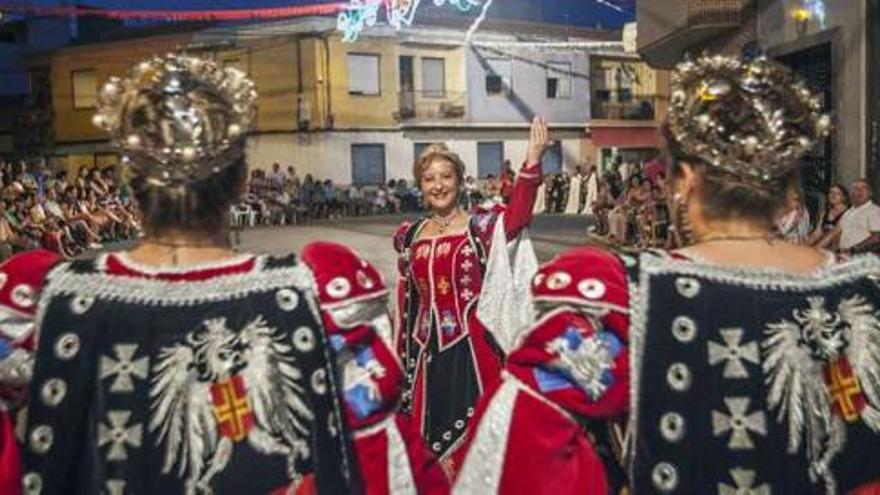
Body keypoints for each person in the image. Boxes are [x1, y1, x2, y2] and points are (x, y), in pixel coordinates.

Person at [2, 54, 446, 495]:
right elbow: (388, 470)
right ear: (241, 182)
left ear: (130, 181)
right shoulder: (315, 297)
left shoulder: (48, 304)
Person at [455, 54, 880, 495]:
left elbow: (513, 458)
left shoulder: (628, 297)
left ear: (685, 181)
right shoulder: (864, 288)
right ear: (789, 188)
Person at [393, 117, 549, 475]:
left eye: (445, 177)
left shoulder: (482, 225)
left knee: (483, 446)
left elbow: (518, 215)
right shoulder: (410, 235)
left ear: (460, 181)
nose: (438, 186)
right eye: (429, 179)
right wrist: (400, 355)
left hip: (475, 350)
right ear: (420, 186)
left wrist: (532, 159)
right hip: (425, 357)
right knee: (426, 452)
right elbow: (406, 300)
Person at [836, 178, 880, 254]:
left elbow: (877, 237)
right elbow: (837, 232)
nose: (860, 191)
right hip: (844, 256)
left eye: (864, 188)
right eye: (856, 188)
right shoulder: (848, 212)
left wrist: (854, 249)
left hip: (863, 258)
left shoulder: (874, 211)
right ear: (851, 193)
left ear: (870, 193)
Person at [809, 184, 849, 248]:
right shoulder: (825, 212)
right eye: (831, 193)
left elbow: (833, 234)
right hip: (824, 246)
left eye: (837, 193)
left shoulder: (847, 213)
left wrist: (814, 249)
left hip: (840, 248)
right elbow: (817, 233)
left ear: (844, 197)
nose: (833, 196)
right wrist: (804, 246)